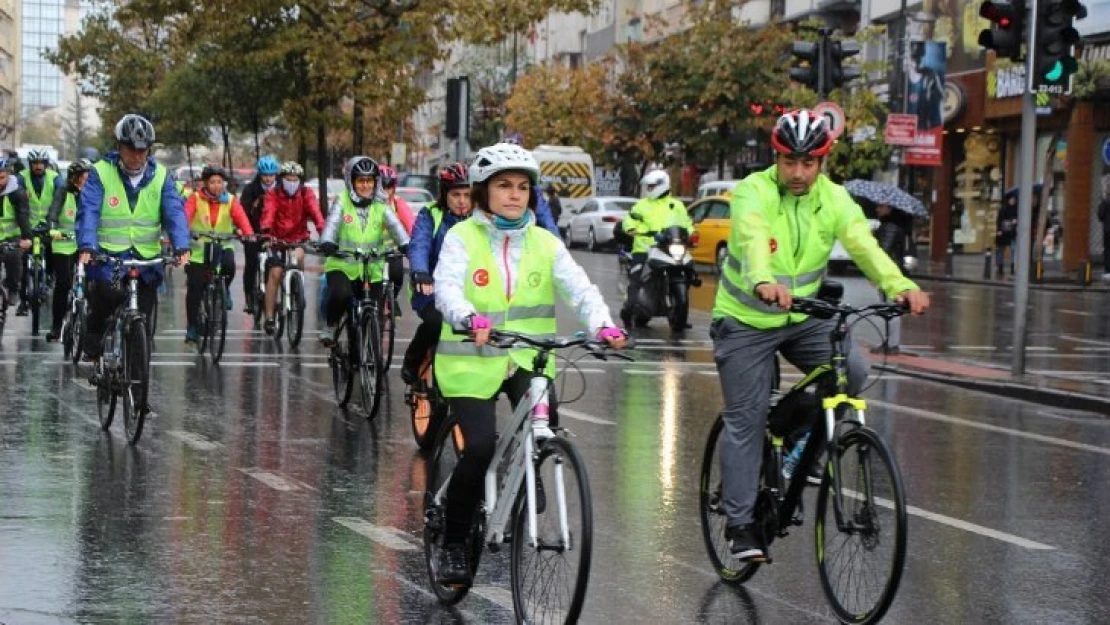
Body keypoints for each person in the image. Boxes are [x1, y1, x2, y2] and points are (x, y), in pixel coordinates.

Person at [711, 109, 929, 562]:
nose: (798, 172)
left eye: (808, 164)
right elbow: (752, 235)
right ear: (777, 157)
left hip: (803, 316)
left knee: (851, 367)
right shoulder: (754, 191)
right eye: (790, 162)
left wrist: (900, 286)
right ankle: (740, 525)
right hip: (745, 321)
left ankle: (796, 445)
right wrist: (762, 280)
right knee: (745, 420)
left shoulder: (834, 199)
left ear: (823, 162)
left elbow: (863, 244)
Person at [431, 142, 627, 585]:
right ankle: (455, 542)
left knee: (547, 415)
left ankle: (529, 462)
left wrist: (604, 326)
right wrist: (468, 316)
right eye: (503, 186)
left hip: (525, 355)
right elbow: (447, 289)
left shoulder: (545, 242)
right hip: (472, 360)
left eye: (522, 187)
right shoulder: (462, 237)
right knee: (479, 448)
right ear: (483, 192)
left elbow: (579, 288)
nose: (515, 195)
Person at [76, 114, 191, 362]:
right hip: (109, 259)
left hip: (146, 261)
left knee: (145, 323)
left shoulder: (161, 176)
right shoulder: (100, 172)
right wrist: (87, 245)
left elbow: (174, 211)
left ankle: (138, 396)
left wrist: (182, 245)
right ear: (119, 146)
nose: (137, 156)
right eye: (131, 149)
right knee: (107, 296)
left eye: (143, 150)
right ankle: (94, 335)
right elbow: (89, 210)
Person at [317, 156, 409, 344]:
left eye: (370, 181)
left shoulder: (381, 204)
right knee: (341, 295)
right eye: (361, 181)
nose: (366, 186)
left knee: (375, 314)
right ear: (351, 182)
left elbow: (397, 228)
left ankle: (372, 359)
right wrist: (327, 242)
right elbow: (332, 224)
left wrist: (407, 245)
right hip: (342, 265)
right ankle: (331, 324)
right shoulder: (341, 201)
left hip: (371, 268)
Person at [400, 163, 473, 385]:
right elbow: (419, 245)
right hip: (431, 288)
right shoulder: (430, 214)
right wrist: (420, 272)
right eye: (456, 194)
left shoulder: (479, 219)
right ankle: (413, 360)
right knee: (436, 323)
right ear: (444, 195)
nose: (462, 201)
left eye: (467, 195)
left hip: (469, 290)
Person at [183, 164, 255, 344]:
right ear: (206, 183)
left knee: (229, 266)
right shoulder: (195, 199)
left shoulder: (230, 200)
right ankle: (192, 326)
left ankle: (225, 290)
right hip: (199, 250)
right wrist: (184, 234)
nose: (217, 186)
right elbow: (185, 217)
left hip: (223, 246)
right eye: (213, 182)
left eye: (220, 182)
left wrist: (249, 234)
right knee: (195, 288)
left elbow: (241, 218)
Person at [618, 169, 693, 327]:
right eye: (648, 187)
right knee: (636, 281)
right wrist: (632, 229)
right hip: (644, 249)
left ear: (662, 185)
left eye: (651, 187)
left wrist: (692, 234)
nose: (649, 190)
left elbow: (686, 224)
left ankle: (680, 311)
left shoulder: (676, 205)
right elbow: (629, 221)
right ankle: (627, 310)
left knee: (689, 270)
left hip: (667, 248)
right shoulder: (641, 205)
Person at [259, 161, 324, 335]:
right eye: (289, 179)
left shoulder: (306, 193)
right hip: (277, 240)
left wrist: (324, 233)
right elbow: (269, 213)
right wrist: (266, 232)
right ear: (282, 179)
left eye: (295, 179)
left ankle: (297, 288)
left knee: (298, 258)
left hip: (299, 239)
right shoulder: (273, 194)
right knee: (275, 273)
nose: (292, 182)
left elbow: (316, 214)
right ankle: (270, 317)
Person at [44, 159, 93, 341]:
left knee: (94, 284)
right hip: (63, 243)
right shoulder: (63, 192)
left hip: (85, 244)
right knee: (63, 283)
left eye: (88, 178)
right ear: (74, 178)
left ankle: (92, 324)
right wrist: (53, 228)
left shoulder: (93, 195)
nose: (85, 182)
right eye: (83, 178)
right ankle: (57, 326)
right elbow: (53, 213)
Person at [238, 155, 280, 313]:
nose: (268, 179)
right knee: (251, 263)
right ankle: (249, 296)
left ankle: (272, 295)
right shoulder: (250, 190)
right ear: (260, 175)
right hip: (253, 231)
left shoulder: (281, 189)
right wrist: (245, 231)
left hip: (274, 233)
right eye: (265, 175)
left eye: (271, 175)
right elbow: (242, 212)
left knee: (275, 265)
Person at [871, 203, 907, 355]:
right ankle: (890, 343)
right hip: (892, 272)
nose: (877, 209)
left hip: (889, 273)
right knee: (889, 308)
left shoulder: (889, 227)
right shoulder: (889, 226)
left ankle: (892, 344)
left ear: (889, 209)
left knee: (891, 308)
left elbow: (883, 251)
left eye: (881, 207)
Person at [379, 164, 414, 305]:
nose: (386, 191)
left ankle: (393, 300)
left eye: (389, 187)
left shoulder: (398, 203)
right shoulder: (366, 204)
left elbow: (411, 225)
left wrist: (413, 245)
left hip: (392, 252)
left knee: (398, 276)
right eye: (382, 187)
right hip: (371, 254)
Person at [0, 158, 32, 308]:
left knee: (13, 257)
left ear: (8, 175)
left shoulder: (16, 193)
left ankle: (13, 288)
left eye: (2, 177)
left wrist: (26, 237)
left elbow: (23, 216)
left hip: (11, 237)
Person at [995, 194, 1017, 278]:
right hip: (1003, 233)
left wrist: (1015, 221)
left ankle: (1012, 267)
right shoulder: (1003, 209)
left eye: (1013, 199)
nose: (1012, 201)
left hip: (1011, 233)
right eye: (1011, 199)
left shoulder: (1016, 209)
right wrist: (999, 230)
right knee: (1001, 250)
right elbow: (999, 221)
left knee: (1013, 249)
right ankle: (1000, 267)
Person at [1099, 191, 1110, 282]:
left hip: (1107, 229)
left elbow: (1100, 215)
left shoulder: (1105, 201)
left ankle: (1107, 271)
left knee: (1107, 249)